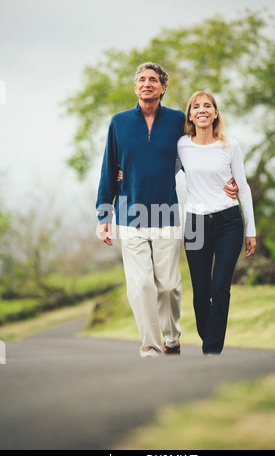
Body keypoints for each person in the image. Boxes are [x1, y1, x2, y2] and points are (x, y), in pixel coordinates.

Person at [96, 63, 238, 358]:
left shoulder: (176, 120)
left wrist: (227, 180)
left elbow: (198, 151)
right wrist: (103, 215)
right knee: (140, 285)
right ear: (135, 87)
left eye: (153, 80)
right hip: (129, 215)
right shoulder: (119, 122)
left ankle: (172, 338)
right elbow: (109, 169)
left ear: (163, 88)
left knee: (169, 286)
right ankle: (150, 346)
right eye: (141, 80)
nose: (146, 84)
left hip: (166, 215)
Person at [177, 91, 256, 355]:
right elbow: (159, 169)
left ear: (215, 112)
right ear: (190, 115)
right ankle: (209, 335)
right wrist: (123, 172)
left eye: (207, 106)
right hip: (196, 225)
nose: (202, 110)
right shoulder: (182, 146)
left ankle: (212, 350)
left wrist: (251, 231)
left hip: (228, 222)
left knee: (221, 287)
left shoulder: (229, 145)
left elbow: (242, 187)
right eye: (196, 106)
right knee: (201, 293)